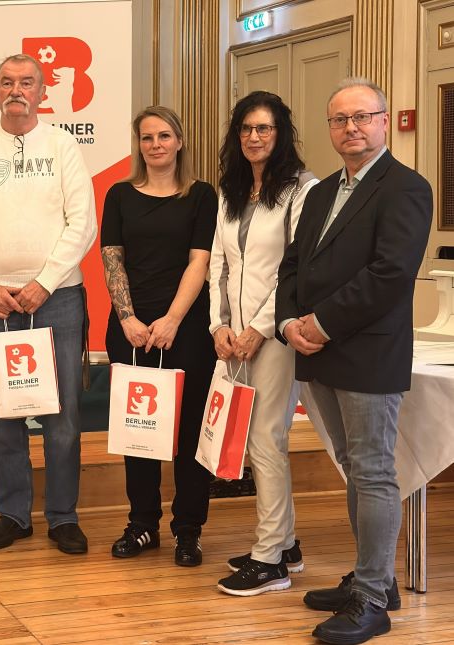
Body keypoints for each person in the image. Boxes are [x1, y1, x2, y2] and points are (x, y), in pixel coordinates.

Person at [276, 77, 432, 644]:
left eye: (363, 117)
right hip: (318, 353)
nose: (352, 128)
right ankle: (376, 578)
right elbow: (293, 265)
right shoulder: (321, 193)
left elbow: (390, 274)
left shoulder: (406, 187)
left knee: (372, 471)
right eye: (340, 120)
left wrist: (320, 323)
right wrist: (288, 322)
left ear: (384, 121)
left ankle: (371, 599)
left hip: (366, 352)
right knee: (352, 467)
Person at [0, 54, 97, 554]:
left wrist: (45, 283)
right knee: (4, 417)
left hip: (57, 299)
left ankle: (62, 517)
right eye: (7, 82)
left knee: (63, 418)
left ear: (42, 92)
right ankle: (13, 514)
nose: (16, 90)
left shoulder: (63, 145)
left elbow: (82, 223)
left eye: (27, 82)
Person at [209, 91, 318, 595]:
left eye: (264, 129)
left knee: (265, 440)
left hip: (275, 336)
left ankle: (269, 559)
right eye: (247, 129)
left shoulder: (302, 189)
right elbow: (219, 264)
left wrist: (260, 327)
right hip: (234, 338)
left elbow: (295, 269)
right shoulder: (232, 190)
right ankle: (286, 544)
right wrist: (219, 326)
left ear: (281, 134)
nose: (254, 137)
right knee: (255, 440)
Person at [101, 106, 217, 566]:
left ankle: (188, 530)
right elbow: (112, 257)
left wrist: (172, 319)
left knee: (191, 434)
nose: (155, 145)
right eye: (147, 137)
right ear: (139, 144)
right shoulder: (120, 194)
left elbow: (199, 261)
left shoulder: (201, 195)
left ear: (179, 141)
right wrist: (128, 318)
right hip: (131, 330)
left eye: (164, 136)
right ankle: (142, 524)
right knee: (139, 432)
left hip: (186, 329)